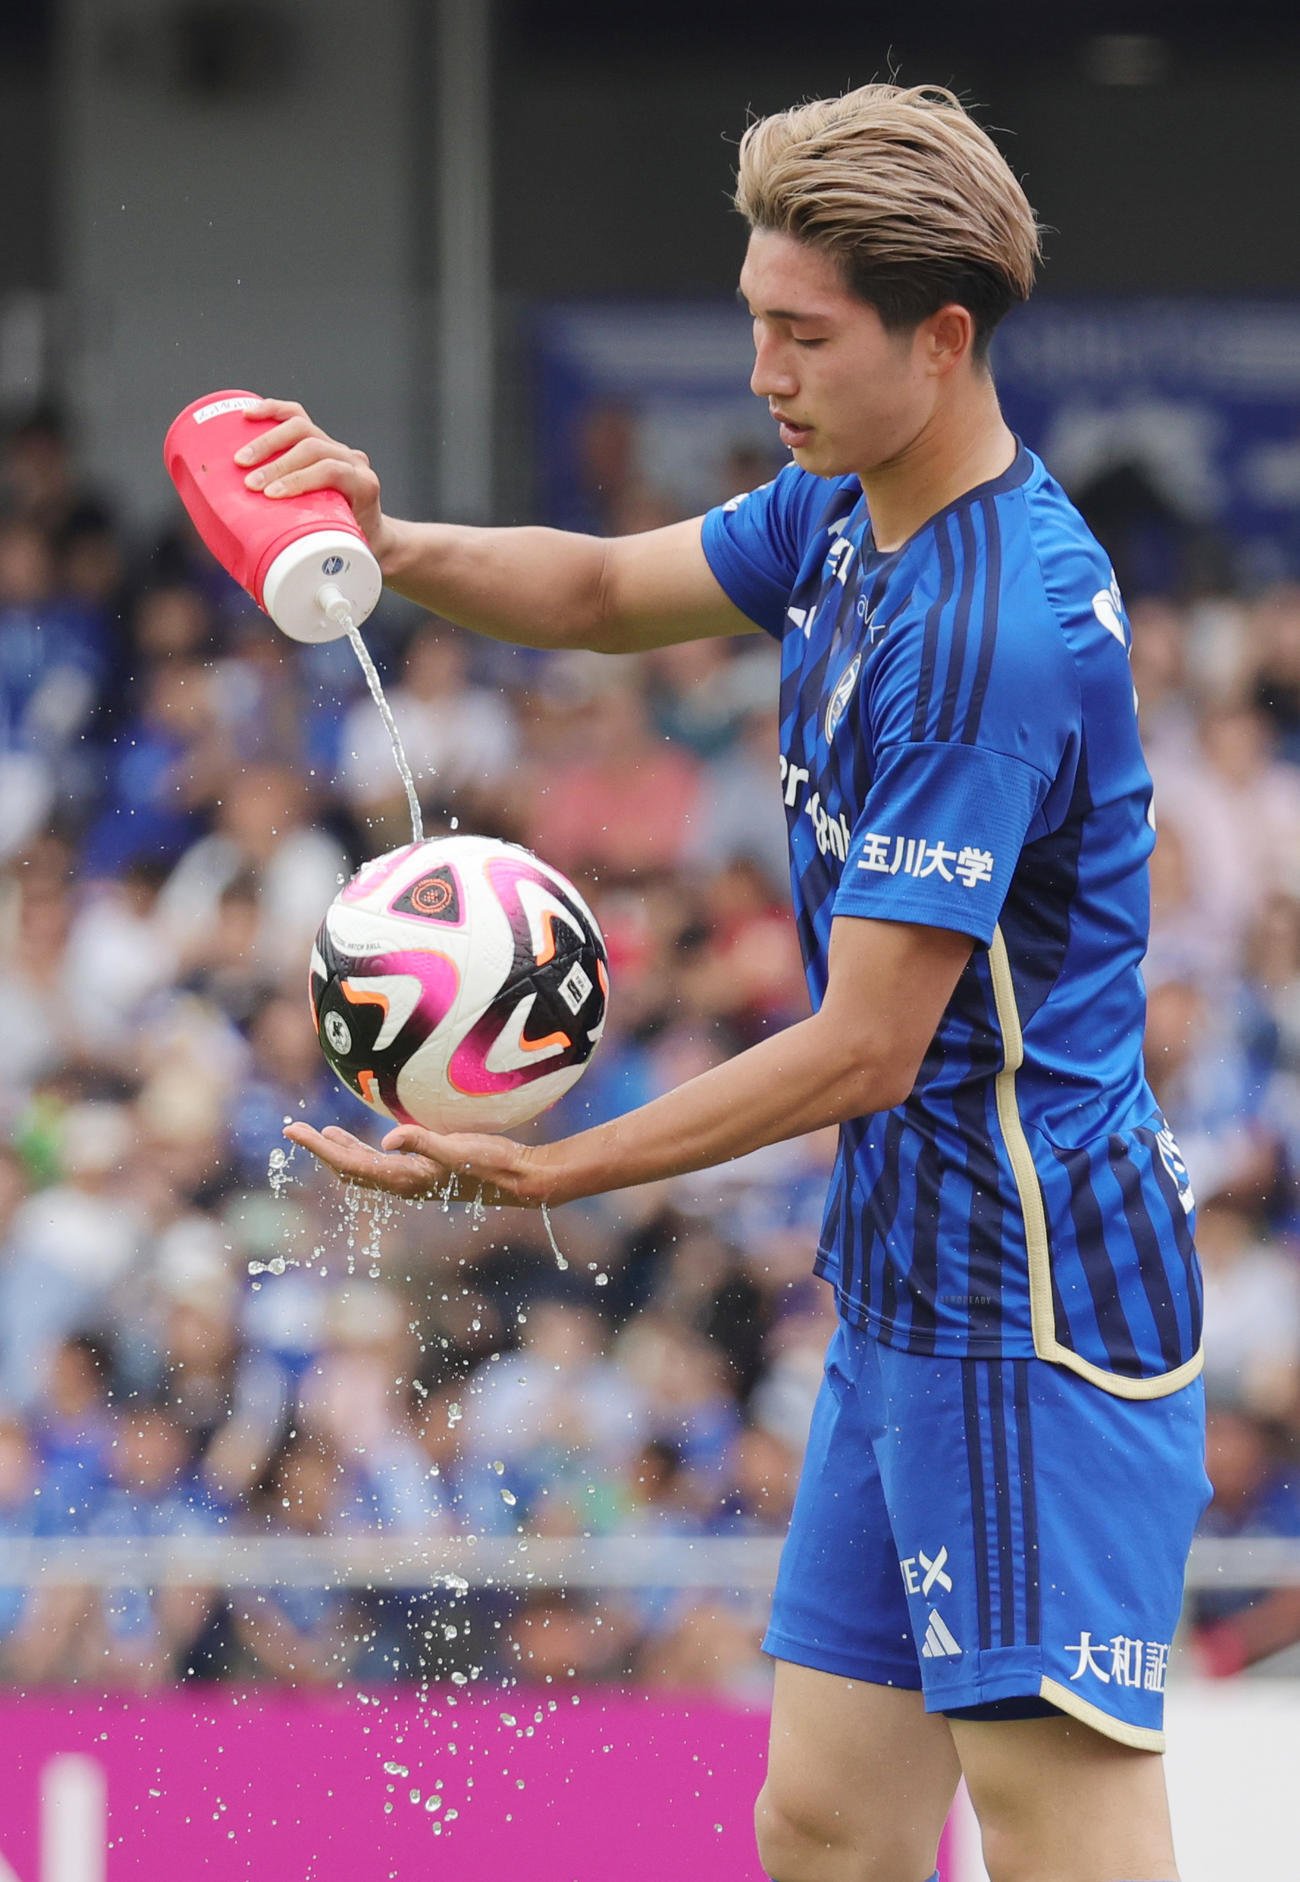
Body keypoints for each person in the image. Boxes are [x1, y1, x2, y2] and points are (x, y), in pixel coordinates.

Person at [236, 82, 1206, 1882]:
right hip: (911, 1280)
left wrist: (541, 1170)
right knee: (827, 1826)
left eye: (801, 332)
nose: (762, 366)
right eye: (753, 317)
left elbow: (863, 1045)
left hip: (1031, 1302)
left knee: (1060, 1833)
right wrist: (388, 548)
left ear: (941, 336)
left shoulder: (988, 629)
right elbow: (607, 586)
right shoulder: (849, 508)